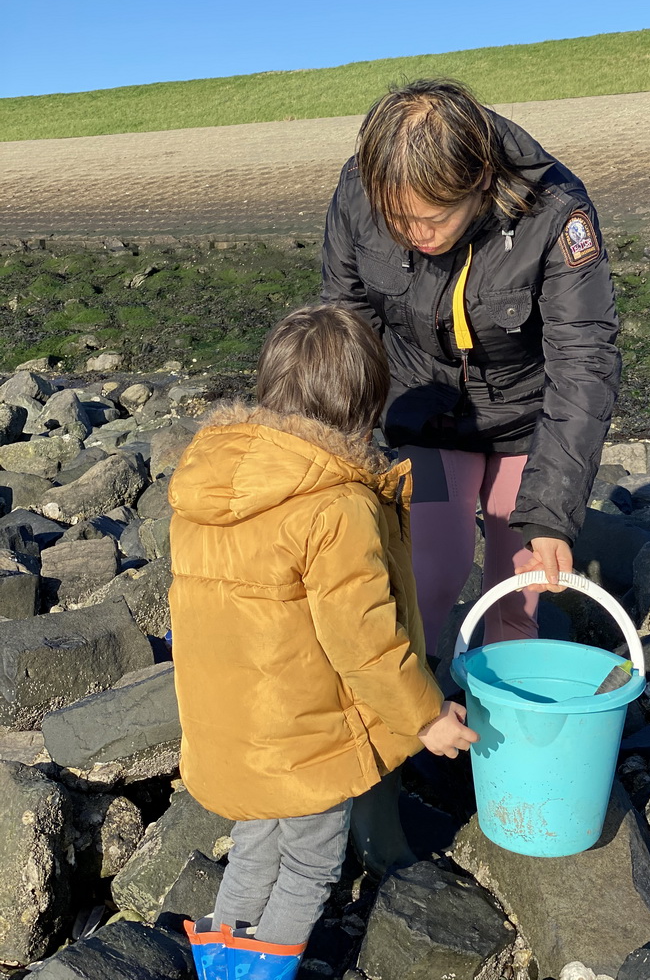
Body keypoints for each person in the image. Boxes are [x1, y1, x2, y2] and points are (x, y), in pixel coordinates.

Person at [168, 304, 478, 980]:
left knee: (254, 849)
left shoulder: (203, 489)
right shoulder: (337, 505)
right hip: (305, 739)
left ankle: (220, 963)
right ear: (364, 411)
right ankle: (260, 974)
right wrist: (426, 717)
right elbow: (363, 641)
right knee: (310, 863)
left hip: (227, 733)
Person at [322, 78, 620, 656]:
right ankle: (413, 717)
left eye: (432, 218)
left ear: (480, 179)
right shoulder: (360, 189)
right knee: (431, 573)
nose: (414, 235)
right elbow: (345, 324)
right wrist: (339, 447)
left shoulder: (558, 214)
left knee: (515, 590)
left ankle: (504, 729)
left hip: (528, 420)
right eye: (397, 219)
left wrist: (552, 515)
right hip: (423, 409)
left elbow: (584, 362)